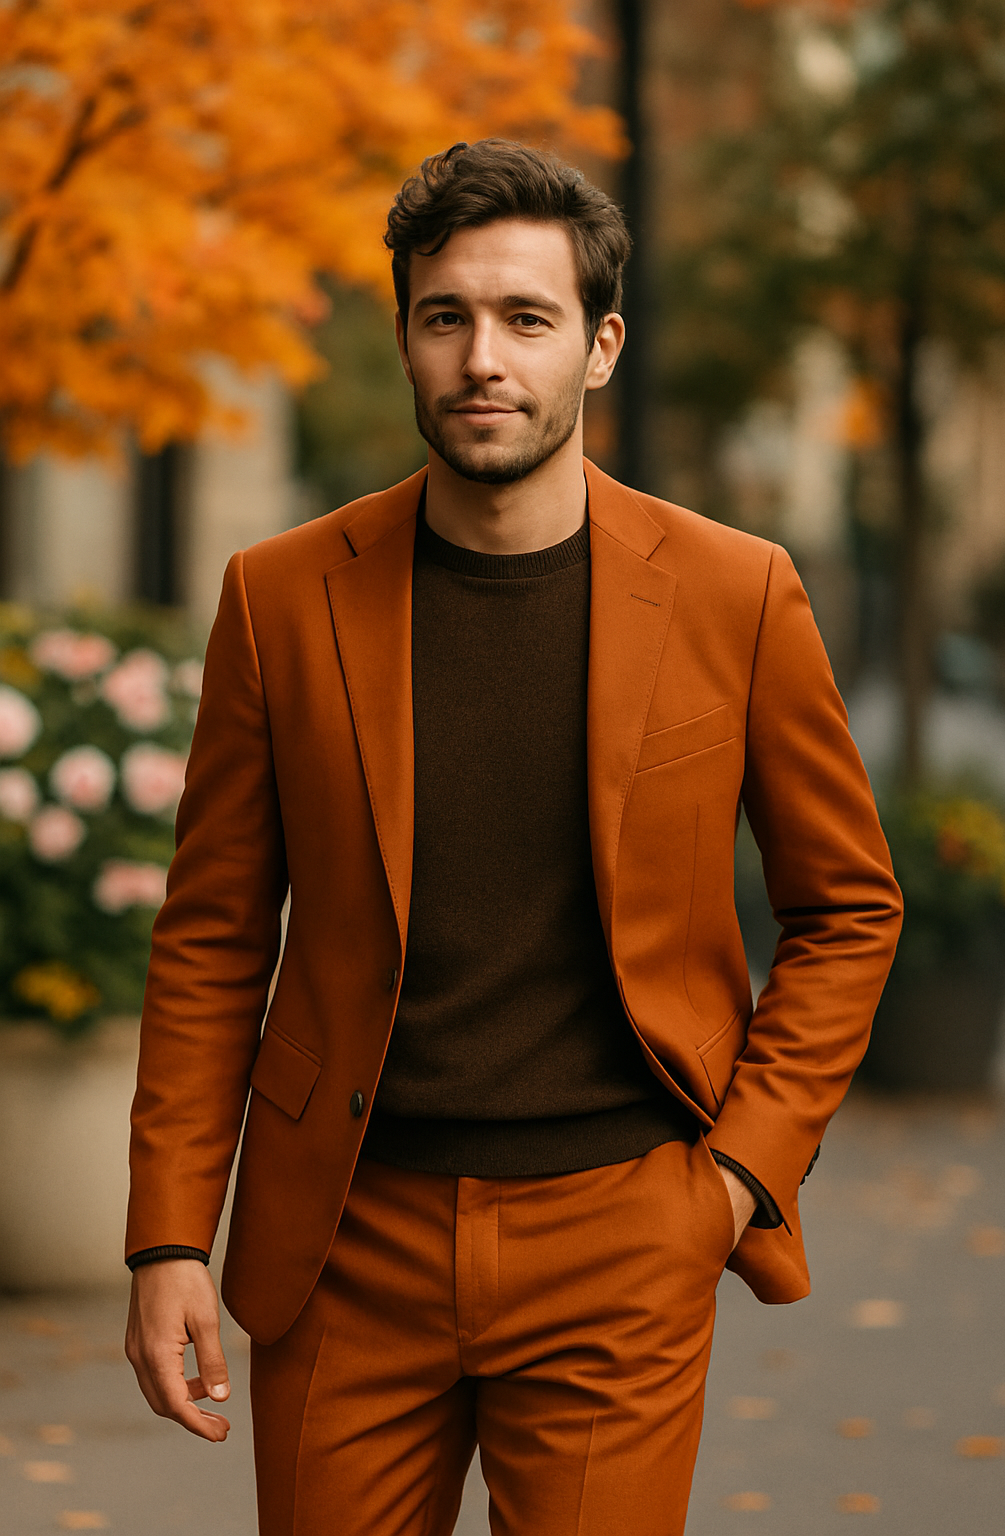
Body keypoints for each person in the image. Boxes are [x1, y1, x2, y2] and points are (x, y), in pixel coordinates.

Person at [124, 139, 902, 1535]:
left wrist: (732, 1181)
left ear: (599, 347)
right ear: (409, 337)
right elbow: (213, 939)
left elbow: (850, 907)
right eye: (447, 316)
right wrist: (170, 1230)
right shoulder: (280, 598)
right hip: (344, 1238)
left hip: (623, 1235)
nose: (484, 357)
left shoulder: (739, 594)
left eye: (526, 319)